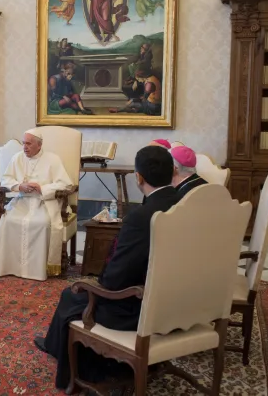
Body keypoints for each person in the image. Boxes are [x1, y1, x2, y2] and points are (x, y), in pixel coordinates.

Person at [34, 145, 179, 388]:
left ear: (139, 177)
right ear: (173, 172)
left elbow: (114, 280)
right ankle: (54, 344)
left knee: (71, 295)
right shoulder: (186, 204)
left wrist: (95, 285)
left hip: (138, 310)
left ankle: (70, 359)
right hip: (178, 301)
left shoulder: (142, 217)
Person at [0, 128, 73, 281]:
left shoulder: (52, 159)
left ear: (39, 145)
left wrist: (42, 188)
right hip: (22, 201)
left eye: (28, 144)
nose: (24, 147)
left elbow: (65, 184)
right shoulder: (17, 158)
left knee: (40, 223)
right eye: (23, 143)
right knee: (8, 221)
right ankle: (10, 266)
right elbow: (6, 179)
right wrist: (19, 186)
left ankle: (36, 270)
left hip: (45, 203)